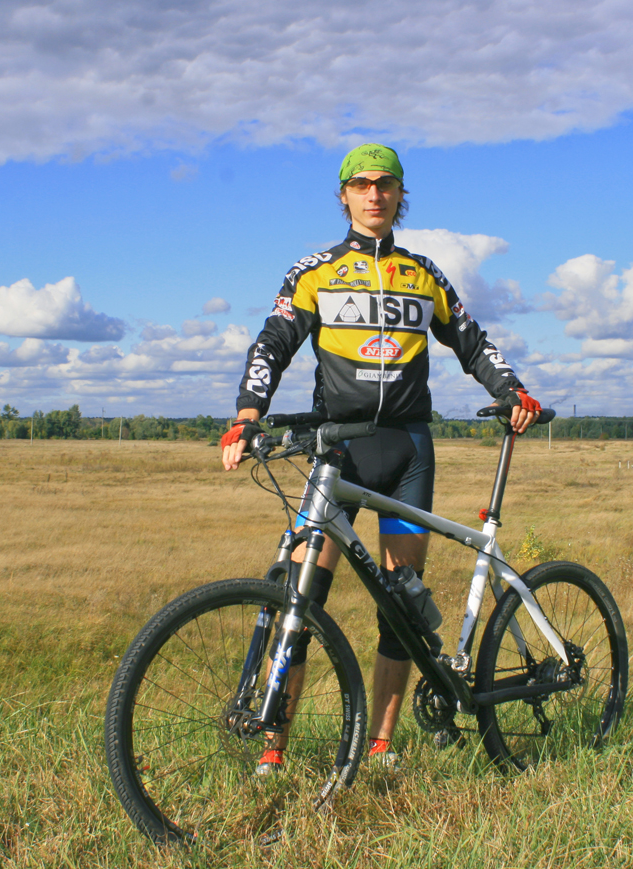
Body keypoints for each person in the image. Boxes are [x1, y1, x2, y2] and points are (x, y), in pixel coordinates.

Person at [220, 143, 541, 772]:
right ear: (344, 195)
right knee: (300, 598)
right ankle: (274, 749)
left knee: (400, 608)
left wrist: (511, 389)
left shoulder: (423, 274)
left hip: (408, 451)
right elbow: (274, 341)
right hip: (339, 450)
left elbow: (471, 340)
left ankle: (382, 746)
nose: (375, 195)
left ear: (399, 195)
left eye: (386, 184)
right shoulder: (314, 271)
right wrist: (248, 413)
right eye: (362, 184)